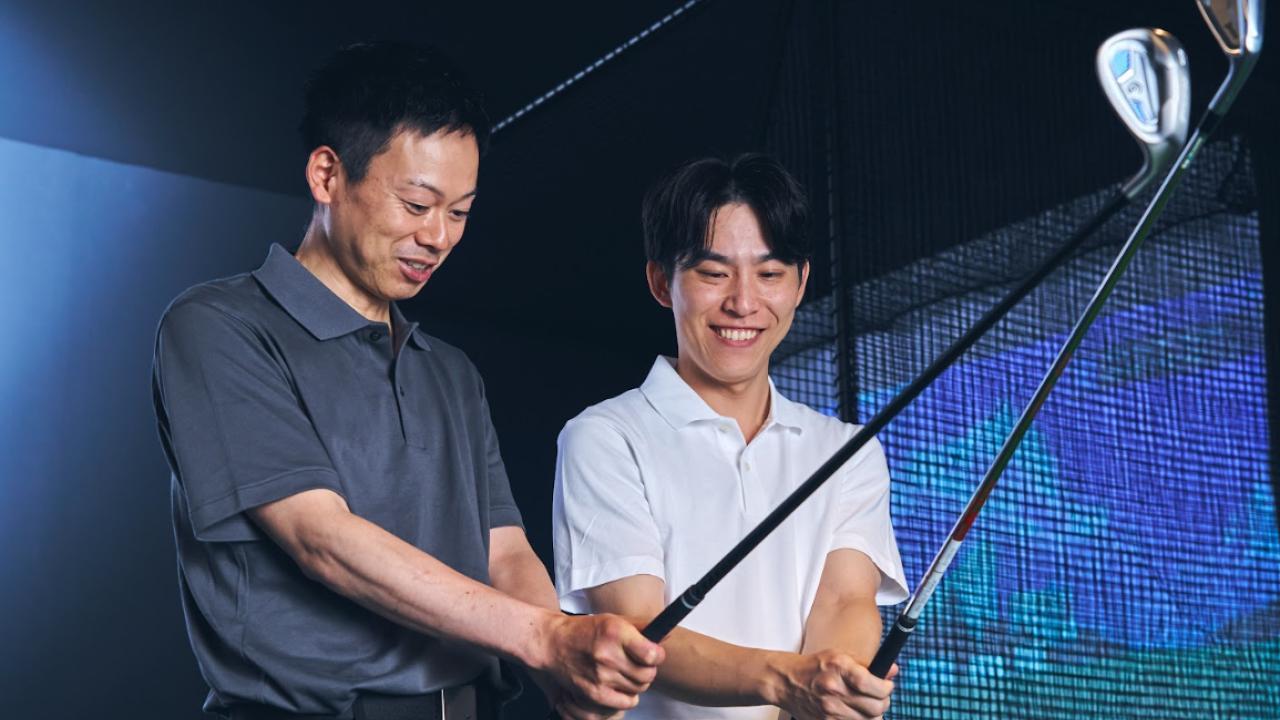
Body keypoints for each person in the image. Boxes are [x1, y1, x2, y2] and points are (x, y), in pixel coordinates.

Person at [152, 43, 662, 720]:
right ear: (328, 175)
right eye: (418, 203)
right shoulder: (219, 327)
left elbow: (505, 552)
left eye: (460, 212)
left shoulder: (450, 373)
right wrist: (544, 637)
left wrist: (563, 664)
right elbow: (321, 538)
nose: (438, 236)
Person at [552, 154, 909, 720]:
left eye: (769, 275)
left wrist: (836, 681)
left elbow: (845, 601)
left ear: (801, 283)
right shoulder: (605, 437)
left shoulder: (848, 451)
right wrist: (790, 680)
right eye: (713, 273)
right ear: (661, 282)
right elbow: (637, 628)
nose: (743, 303)